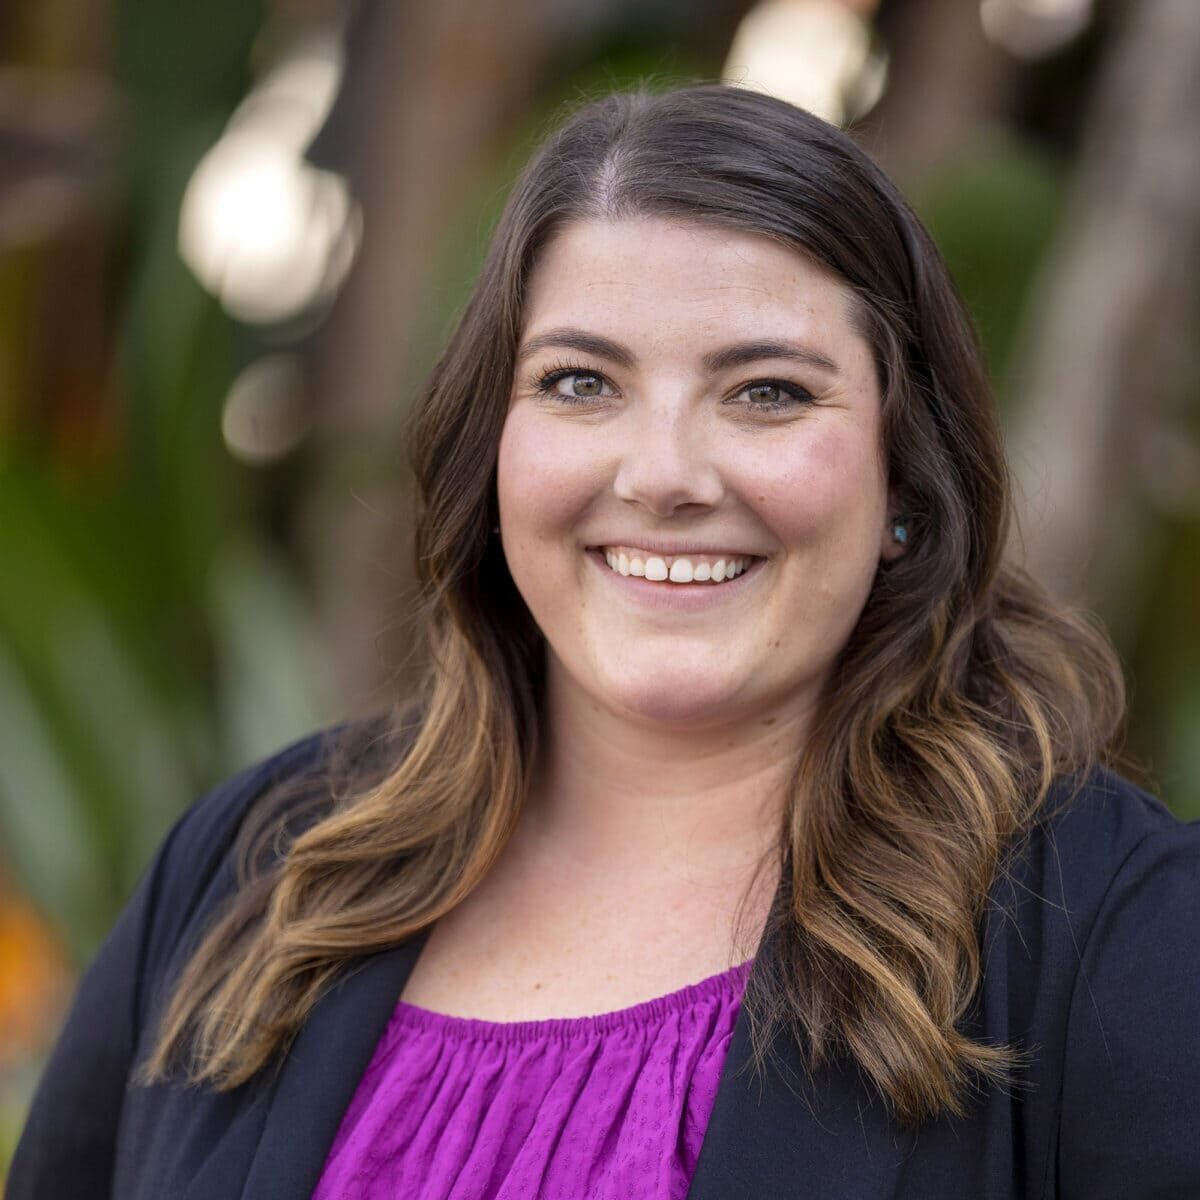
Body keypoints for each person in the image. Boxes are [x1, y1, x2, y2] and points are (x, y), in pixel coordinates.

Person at [9, 84, 1200, 1200]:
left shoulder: (1115, 943)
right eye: (581, 383)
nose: (664, 476)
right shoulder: (252, 875)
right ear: (494, 450)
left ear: (905, 475)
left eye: (768, 391)